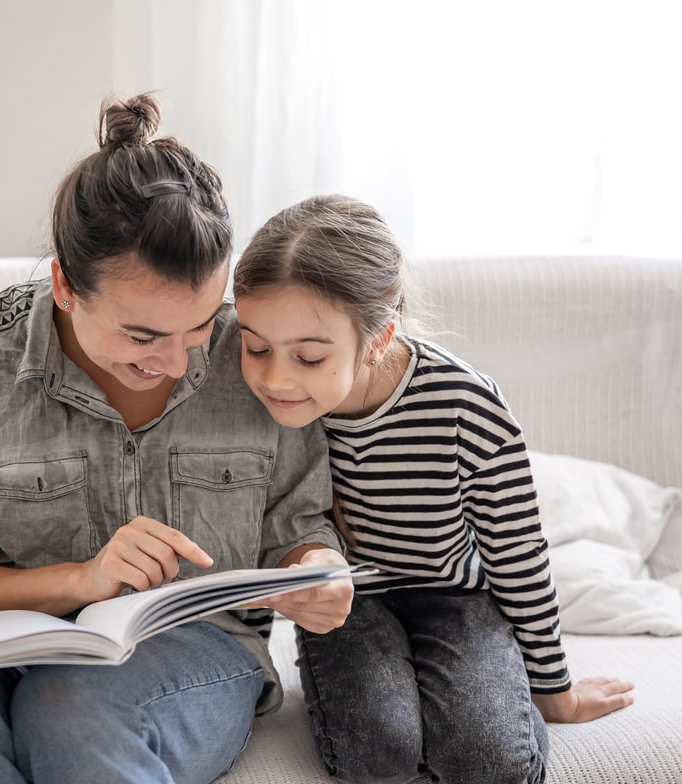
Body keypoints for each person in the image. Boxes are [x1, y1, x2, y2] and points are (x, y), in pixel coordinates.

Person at [0, 95, 353, 784]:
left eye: (199, 327)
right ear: (65, 284)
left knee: (71, 706)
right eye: (142, 335)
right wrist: (80, 580)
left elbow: (299, 528)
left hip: (199, 650)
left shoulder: (256, 359)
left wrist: (315, 573)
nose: (181, 362)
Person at [232, 194, 635, 784]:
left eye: (310, 358)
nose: (274, 378)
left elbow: (518, 553)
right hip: (351, 602)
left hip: (456, 597)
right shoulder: (257, 406)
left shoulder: (465, 404)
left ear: (377, 338)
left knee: (489, 763)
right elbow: (255, 527)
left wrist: (557, 691)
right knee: (377, 751)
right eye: (256, 347)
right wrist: (249, 670)